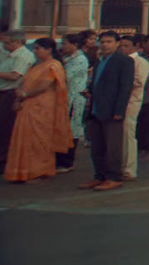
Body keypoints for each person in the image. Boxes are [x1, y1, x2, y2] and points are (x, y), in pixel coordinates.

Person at [4, 38, 70, 184]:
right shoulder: (37, 66)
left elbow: (44, 85)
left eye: (38, 48)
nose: (35, 51)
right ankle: (21, 172)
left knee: (39, 140)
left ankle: (38, 172)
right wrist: (20, 97)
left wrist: (25, 95)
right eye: (34, 48)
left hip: (42, 108)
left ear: (49, 50)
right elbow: (23, 84)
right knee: (24, 139)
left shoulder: (54, 65)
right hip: (27, 106)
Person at [83, 32, 134, 191]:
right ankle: (99, 175)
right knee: (97, 146)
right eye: (102, 42)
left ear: (117, 43)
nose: (105, 45)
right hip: (97, 108)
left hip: (113, 111)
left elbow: (125, 88)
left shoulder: (124, 61)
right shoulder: (100, 61)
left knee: (112, 147)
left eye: (109, 42)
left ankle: (113, 177)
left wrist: (119, 110)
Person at [0, 30, 38, 172]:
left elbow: (15, 76)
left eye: (7, 43)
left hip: (10, 92)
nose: (5, 45)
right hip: (3, 90)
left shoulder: (24, 56)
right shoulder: (5, 52)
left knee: (5, 127)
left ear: (17, 42)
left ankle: (3, 161)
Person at [57, 33, 89, 173]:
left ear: (74, 45)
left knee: (72, 130)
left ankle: (67, 162)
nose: (62, 47)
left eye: (64, 44)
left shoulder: (80, 59)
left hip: (74, 99)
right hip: (64, 99)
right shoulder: (66, 58)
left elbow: (66, 77)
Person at [119, 34, 149, 181]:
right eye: (121, 46)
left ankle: (129, 169)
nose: (123, 49)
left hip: (131, 102)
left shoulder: (140, 62)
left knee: (128, 135)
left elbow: (137, 82)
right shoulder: (119, 61)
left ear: (135, 47)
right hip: (117, 103)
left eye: (126, 46)